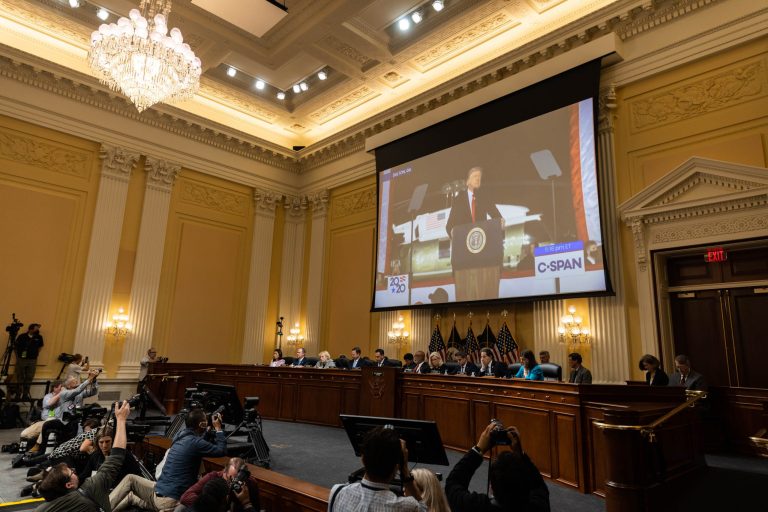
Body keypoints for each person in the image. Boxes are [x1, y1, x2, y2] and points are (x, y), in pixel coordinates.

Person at [109, 408, 227, 511]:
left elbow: (199, 443)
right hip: (168, 499)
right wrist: (218, 429)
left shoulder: (180, 436)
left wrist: (206, 430)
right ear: (201, 425)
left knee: (130, 482)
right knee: (131, 490)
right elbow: (221, 450)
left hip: (165, 497)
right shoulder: (196, 443)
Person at [35, 400, 131, 511]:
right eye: (71, 472)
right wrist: (121, 419)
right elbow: (116, 456)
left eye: (107, 442)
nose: (104, 445)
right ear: (69, 485)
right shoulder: (91, 486)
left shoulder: (42, 508)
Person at [445, 422, 550, 512]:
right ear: (525, 484)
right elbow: (538, 485)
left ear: (491, 487)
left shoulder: (475, 506)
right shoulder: (538, 507)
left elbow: (453, 483)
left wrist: (478, 449)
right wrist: (520, 454)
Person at [328, 426, 424, 511]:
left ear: (362, 459)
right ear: (397, 467)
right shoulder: (407, 506)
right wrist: (405, 472)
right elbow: (424, 509)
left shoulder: (337, 492)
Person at [445, 167, 504, 302]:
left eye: (480, 177)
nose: (478, 179)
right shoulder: (459, 199)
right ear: (467, 181)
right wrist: (454, 232)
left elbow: (496, 216)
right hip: (464, 259)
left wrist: (501, 221)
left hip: (484, 256)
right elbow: (449, 226)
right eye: (475, 176)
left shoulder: (484, 196)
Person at [39, 372, 100, 453]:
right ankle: (42, 450)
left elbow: (93, 392)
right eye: (75, 382)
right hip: (65, 422)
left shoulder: (80, 394)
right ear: (69, 385)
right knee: (48, 424)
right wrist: (89, 379)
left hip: (77, 419)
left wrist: (94, 380)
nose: (78, 383)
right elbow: (77, 390)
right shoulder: (64, 393)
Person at [176, 457, 260, 512]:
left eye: (237, 480)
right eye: (230, 479)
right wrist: (209, 504)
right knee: (181, 508)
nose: (232, 484)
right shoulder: (213, 476)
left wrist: (246, 502)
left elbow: (256, 508)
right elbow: (185, 497)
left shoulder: (250, 484)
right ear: (224, 471)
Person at [77, 427, 142, 486]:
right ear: (97, 443)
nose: (104, 445)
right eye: (101, 442)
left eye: (107, 441)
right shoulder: (95, 456)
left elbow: (137, 475)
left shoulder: (125, 455)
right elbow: (85, 475)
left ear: (113, 441)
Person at [14, 323, 44, 399]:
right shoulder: (22, 336)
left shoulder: (39, 337)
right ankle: (18, 394)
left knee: (29, 377)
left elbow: (40, 347)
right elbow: (16, 347)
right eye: (36, 328)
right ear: (31, 329)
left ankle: (25, 394)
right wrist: (18, 357)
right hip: (22, 359)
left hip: (32, 360)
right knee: (20, 376)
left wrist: (34, 354)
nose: (37, 330)